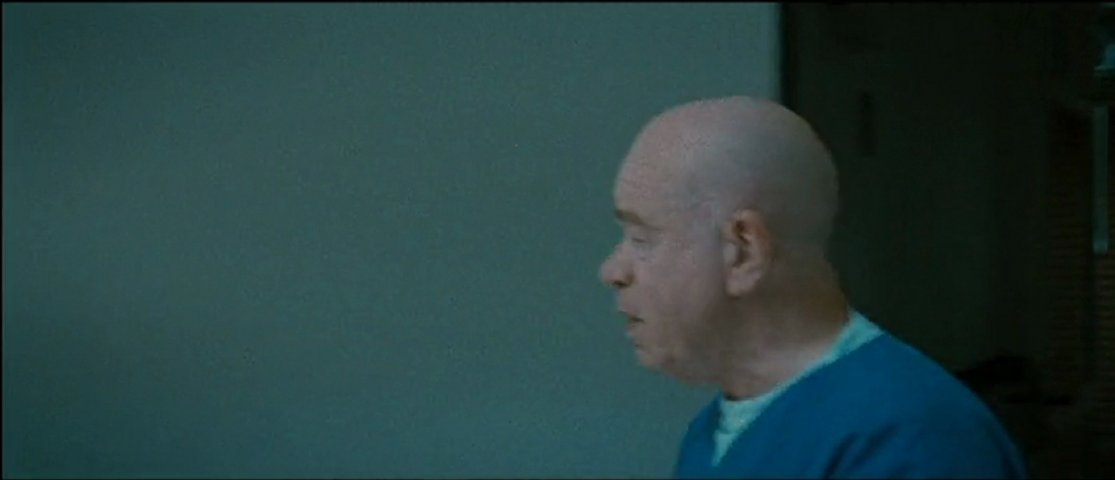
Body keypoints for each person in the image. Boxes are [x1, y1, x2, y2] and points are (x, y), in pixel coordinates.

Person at [598, 96, 1028, 478]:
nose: (613, 271)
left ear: (743, 251)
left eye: (642, 238)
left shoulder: (912, 438)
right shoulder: (710, 435)